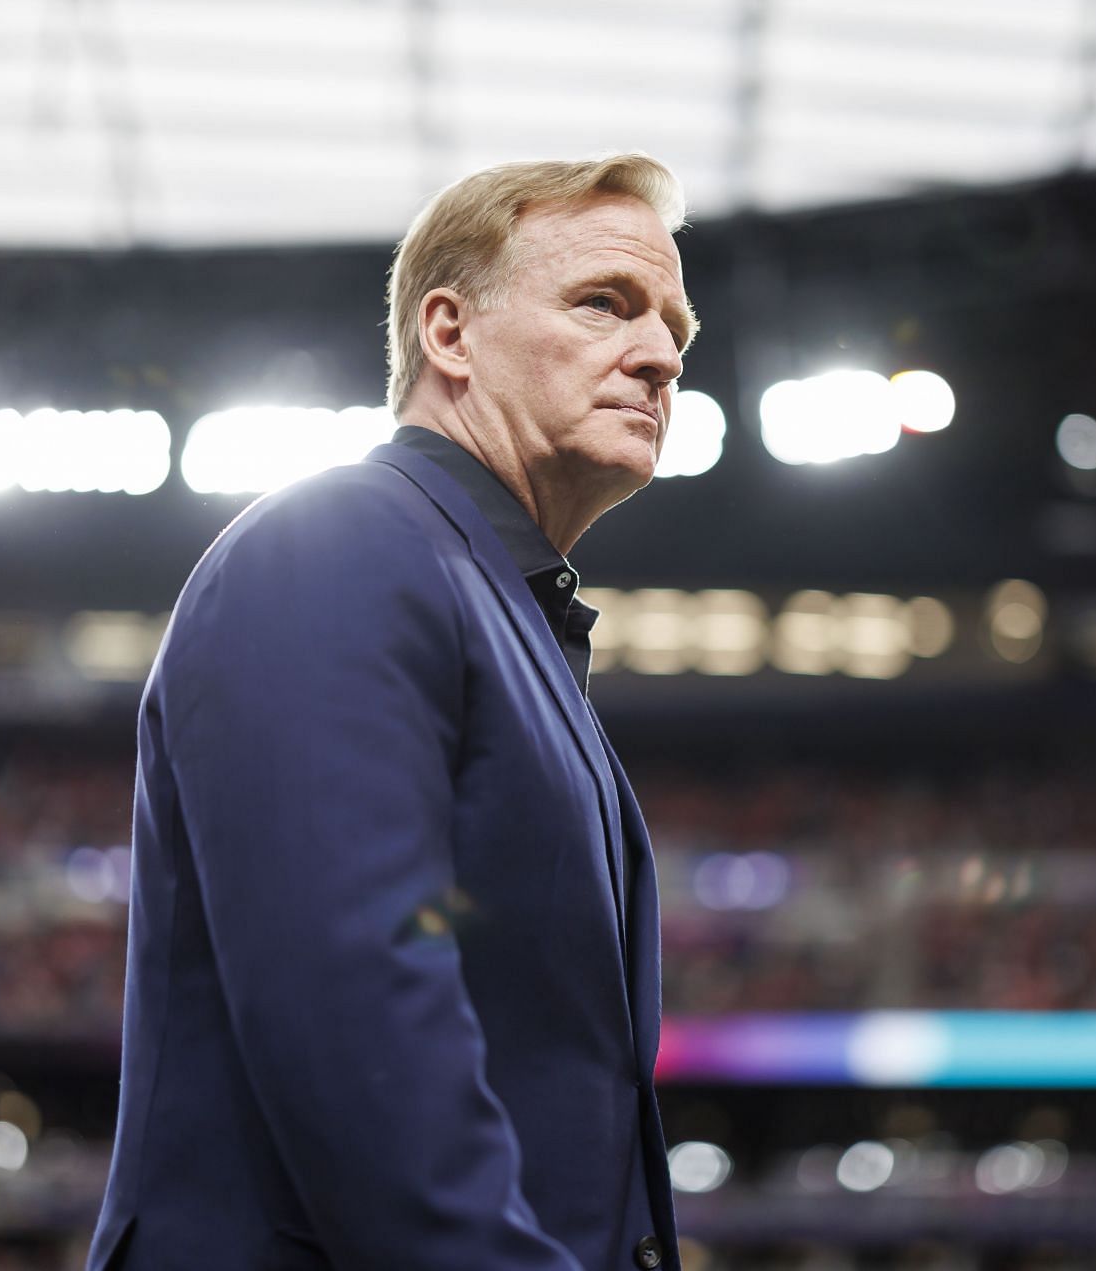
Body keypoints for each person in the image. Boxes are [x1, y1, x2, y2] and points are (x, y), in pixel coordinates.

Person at [87, 154, 698, 1270]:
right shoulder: (343, 544)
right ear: (450, 335)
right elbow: (358, 1021)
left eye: (672, 328)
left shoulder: (493, 604)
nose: (660, 355)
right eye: (604, 303)